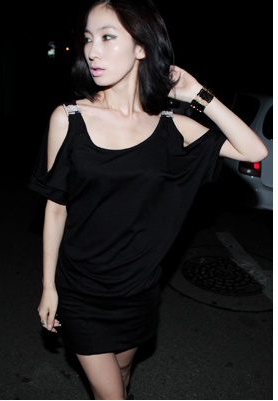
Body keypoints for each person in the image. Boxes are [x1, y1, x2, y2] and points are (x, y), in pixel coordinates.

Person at [27, 0, 268, 399]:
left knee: (123, 376)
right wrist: (48, 286)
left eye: (107, 37)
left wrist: (197, 93)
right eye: (88, 38)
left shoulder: (173, 127)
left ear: (141, 47)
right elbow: (56, 208)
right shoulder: (68, 119)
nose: (92, 51)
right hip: (81, 289)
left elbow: (254, 150)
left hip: (138, 290)